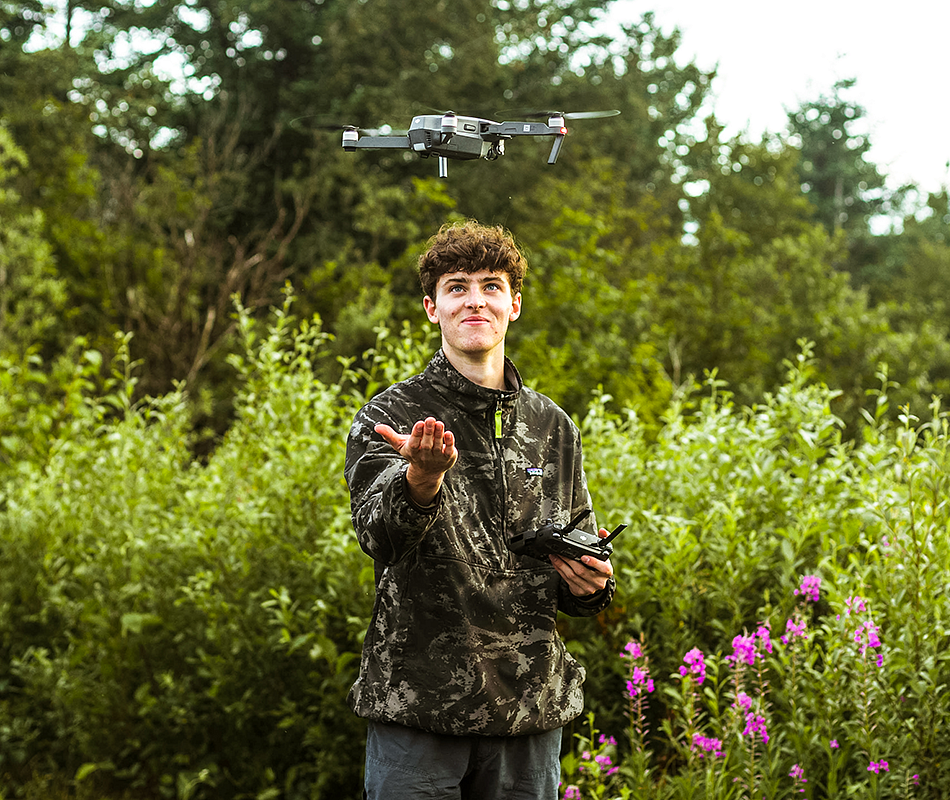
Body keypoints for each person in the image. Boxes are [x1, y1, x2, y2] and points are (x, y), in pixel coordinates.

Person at [344, 220, 617, 800]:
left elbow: (577, 569)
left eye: (491, 286)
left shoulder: (553, 426)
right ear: (431, 307)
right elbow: (378, 537)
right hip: (419, 711)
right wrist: (419, 480)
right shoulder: (392, 413)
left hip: (528, 715)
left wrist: (590, 584)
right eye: (457, 286)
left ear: (513, 305)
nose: (475, 299)